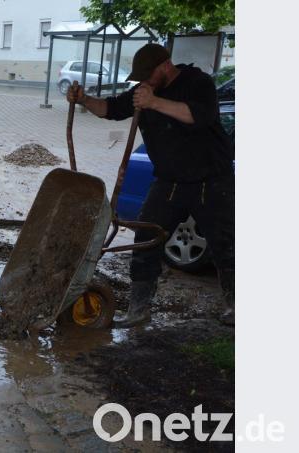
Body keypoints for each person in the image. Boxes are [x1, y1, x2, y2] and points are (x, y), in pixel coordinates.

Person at [67, 44, 234, 327]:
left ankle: (236, 304)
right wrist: (84, 99)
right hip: (169, 181)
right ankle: (139, 308)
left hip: (211, 181)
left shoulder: (198, 83)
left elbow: (199, 116)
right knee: (145, 240)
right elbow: (110, 108)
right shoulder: (143, 91)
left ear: (165, 65)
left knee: (225, 244)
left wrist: (154, 102)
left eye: (148, 74)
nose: (144, 81)